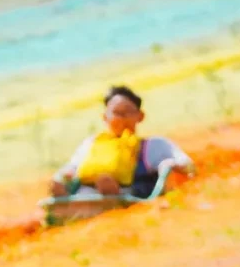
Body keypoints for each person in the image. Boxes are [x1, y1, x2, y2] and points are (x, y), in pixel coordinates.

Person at [50, 85, 195, 200]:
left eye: (127, 113)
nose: (121, 119)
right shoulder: (92, 143)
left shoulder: (153, 145)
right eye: (116, 113)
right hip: (86, 192)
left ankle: (112, 193)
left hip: (128, 192)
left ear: (140, 116)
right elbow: (73, 167)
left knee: (107, 183)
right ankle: (66, 200)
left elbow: (186, 163)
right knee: (70, 183)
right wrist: (65, 175)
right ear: (105, 117)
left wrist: (168, 165)